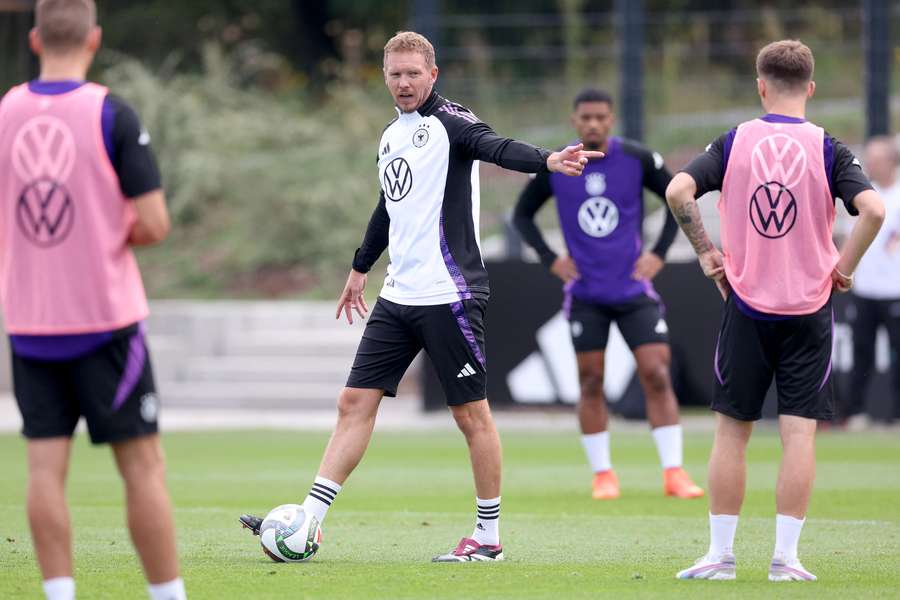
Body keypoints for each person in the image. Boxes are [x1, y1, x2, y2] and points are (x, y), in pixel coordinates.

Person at [238, 31, 601, 563]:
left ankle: (489, 539)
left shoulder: (452, 122)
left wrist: (546, 161)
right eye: (394, 74)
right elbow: (390, 204)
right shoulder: (392, 135)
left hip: (449, 292)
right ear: (385, 78)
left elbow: (496, 147)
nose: (404, 83)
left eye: (413, 73)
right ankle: (308, 522)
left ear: (433, 75)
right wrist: (361, 266)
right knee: (353, 403)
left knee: (470, 416)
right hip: (399, 294)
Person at [666, 40, 884, 582]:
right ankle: (785, 559)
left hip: (746, 303)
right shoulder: (828, 147)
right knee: (799, 435)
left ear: (761, 86)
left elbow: (677, 191)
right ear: (810, 88)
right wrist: (842, 268)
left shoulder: (736, 140)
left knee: (731, 432)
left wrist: (707, 254)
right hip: (809, 308)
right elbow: (874, 209)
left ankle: (720, 556)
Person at [0, 1, 184, 599]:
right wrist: (105, 230)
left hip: (30, 324)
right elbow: (154, 223)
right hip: (106, 324)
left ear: (34, 40)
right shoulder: (112, 112)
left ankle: (59, 594)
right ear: (94, 39)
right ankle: (167, 595)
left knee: (44, 472)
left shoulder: (5, 112)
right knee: (142, 469)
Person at [512, 88, 704, 500]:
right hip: (586, 294)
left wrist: (658, 253)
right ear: (574, 121)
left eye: (600, 117)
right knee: (591, 381)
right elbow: (522, 215)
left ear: (611, 119)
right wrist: (550, 258)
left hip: (633, 291)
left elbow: (678, 198)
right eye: (586, 118)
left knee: (656, 372)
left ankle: (674, 472)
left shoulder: (636, 159)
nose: (593, 124)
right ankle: (603, 475)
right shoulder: (558, 166)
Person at [841, 136, 900, 424]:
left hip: (896, 290)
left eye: (876, 160)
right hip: (864, 290)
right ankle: (855, 412)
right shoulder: (862, 196)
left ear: (891, 161)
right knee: (860, 354)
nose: (871, 166)